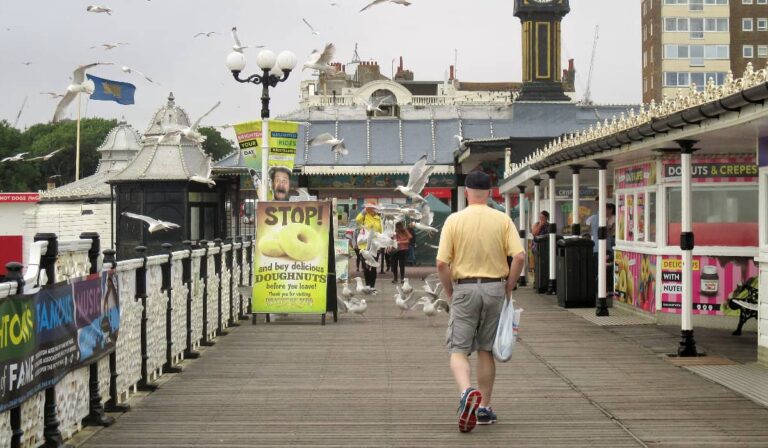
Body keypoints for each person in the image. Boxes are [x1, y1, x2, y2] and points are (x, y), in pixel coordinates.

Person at [436, 170, 525, 433]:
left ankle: (466, 393)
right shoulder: (502, 219)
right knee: (486, 349)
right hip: (495, 287)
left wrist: (450, 291)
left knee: (458, 349)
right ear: (489, 192)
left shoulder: (454, 220)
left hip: (464, 287)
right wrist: (508, 287)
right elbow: (519, 257)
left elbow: (441, 263)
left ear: (466, 192)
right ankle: (484, 408)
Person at [355, 203, 383, 289]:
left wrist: (381, 245)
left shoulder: (378, 219)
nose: (372, 209)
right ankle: (367, 285)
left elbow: (381, 232)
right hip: (364, 246)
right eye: (369, 208)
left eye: (373, 208)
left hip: (375, 246)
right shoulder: (364, 216)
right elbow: (357, 220)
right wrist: (363, 211)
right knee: (366, 266)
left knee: (373, 266)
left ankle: (372, 286)